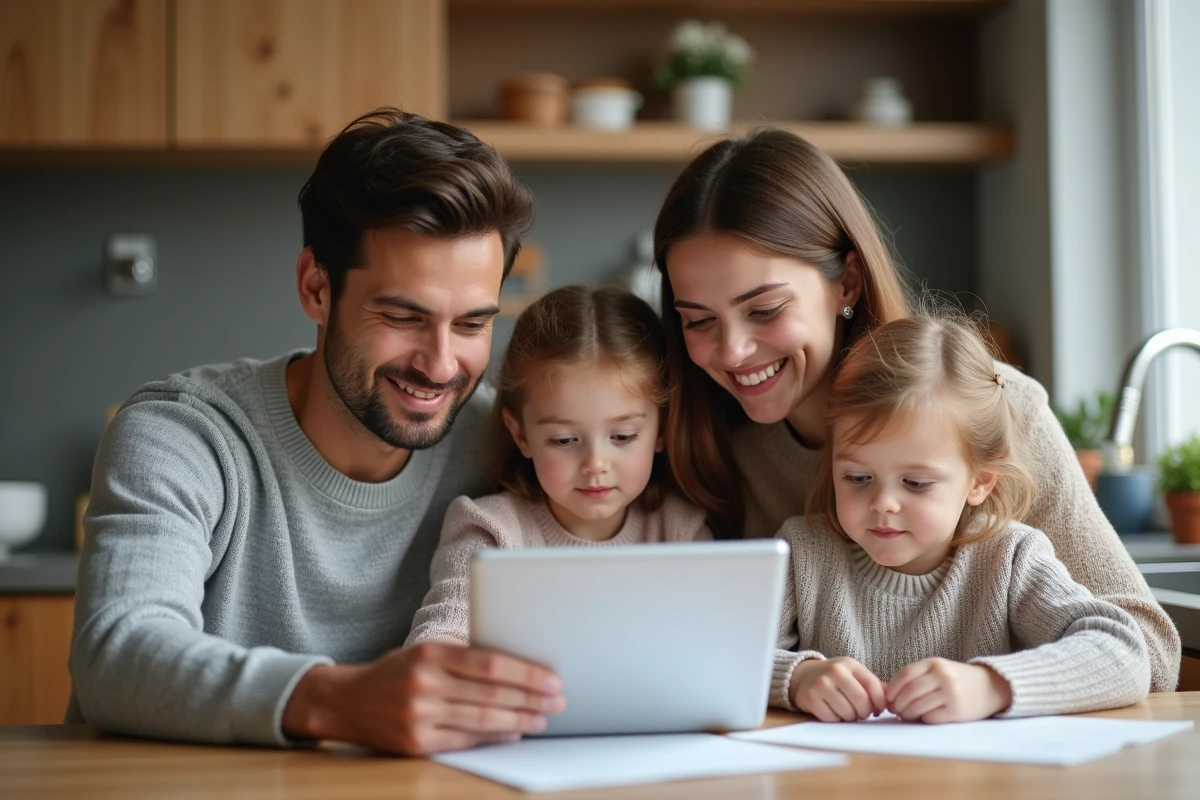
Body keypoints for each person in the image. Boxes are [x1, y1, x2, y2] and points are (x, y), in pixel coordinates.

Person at [68, 109, 568, 756]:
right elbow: (118, 653)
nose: (441, 364)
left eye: (472, 325)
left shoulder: (505, 440)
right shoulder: (183, 434)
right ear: (316, 287)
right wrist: (340, 700)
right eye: (402, 316)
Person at [653, 127, 1180, 692]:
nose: (731, 351)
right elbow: (695, 651)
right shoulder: (704, 442)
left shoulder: (998, 413)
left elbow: (1148, 651)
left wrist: (994, 686)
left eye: (764, 310)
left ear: (847, 282)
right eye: (699, 320)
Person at [770, 314, 1150, 722]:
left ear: (980, 482)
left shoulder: (1010, 558)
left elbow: (1124, 651)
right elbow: (714, 657)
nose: (883, 503)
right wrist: (797, 678)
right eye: (857, 477)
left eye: (915, 483)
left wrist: (991, 686)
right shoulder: (801, 553)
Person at [408, 286, 711, 646]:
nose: (595, 465)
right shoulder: (490, 532)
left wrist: (792, 676)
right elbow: (444, 631)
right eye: (565, 440)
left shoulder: (682, 532)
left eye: (624, 436)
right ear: (520, 435)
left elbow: (727, 643)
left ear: (662, 429)